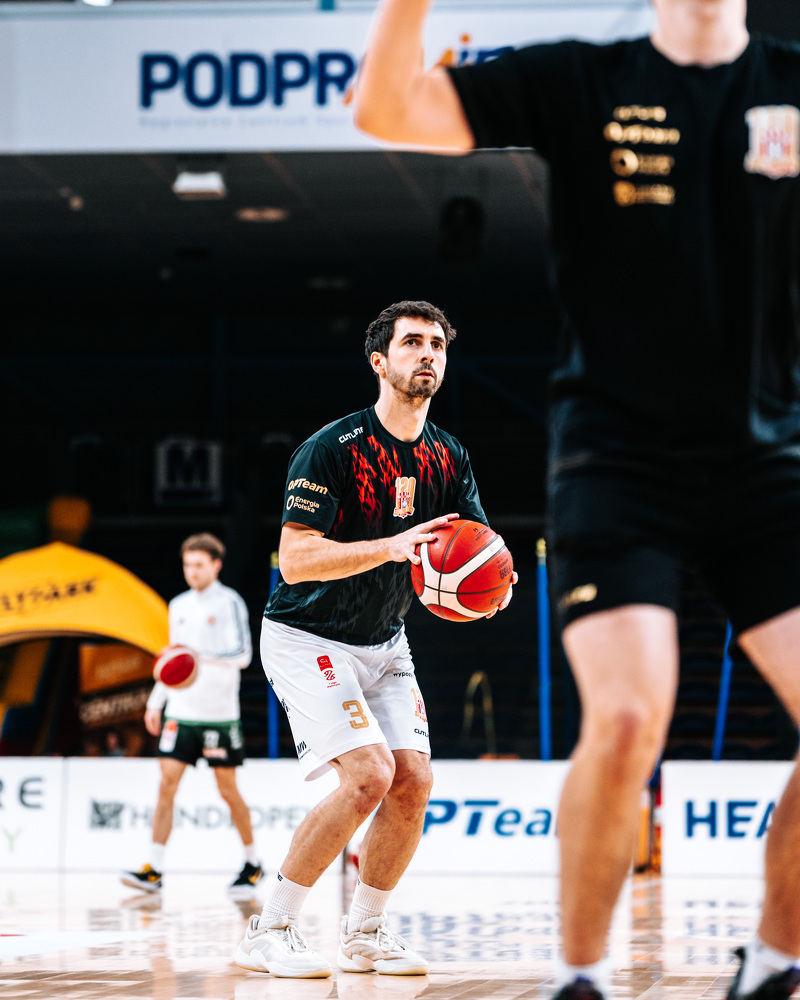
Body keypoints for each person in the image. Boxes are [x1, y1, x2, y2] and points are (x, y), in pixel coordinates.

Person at [355, 3, 800, 1000]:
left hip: (765, 461)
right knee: (630, 717)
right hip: (619, 461)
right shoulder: (578, 81)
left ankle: (773, 963)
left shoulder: (786, 85)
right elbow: (385, 108)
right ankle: (579, 977)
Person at [234, 300, 516, 979]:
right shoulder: (333, 449)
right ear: (379, 362)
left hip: (385, 640)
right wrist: (390, 546)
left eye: (438, 345)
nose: (428, 354)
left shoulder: (449, 455)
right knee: (368, 776)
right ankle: (269, 928)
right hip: (307, 634)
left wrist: (494, 583)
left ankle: (365, 933)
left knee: (413, 780)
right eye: (413, 343)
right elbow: (295, 559)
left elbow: (474, 545)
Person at [121, 533, 263, 899]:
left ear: (216, 565)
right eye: (187, 565)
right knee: (165, 786)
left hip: (219, 715)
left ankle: (253, 863)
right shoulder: (178, 605)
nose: (192, 571)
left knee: (228, 790)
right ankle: (153, 869)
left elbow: (243, 655)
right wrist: (156, 702)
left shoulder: (230, 602)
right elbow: (171, 661)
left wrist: (197, 655)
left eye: (199, 565)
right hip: (181, 713)